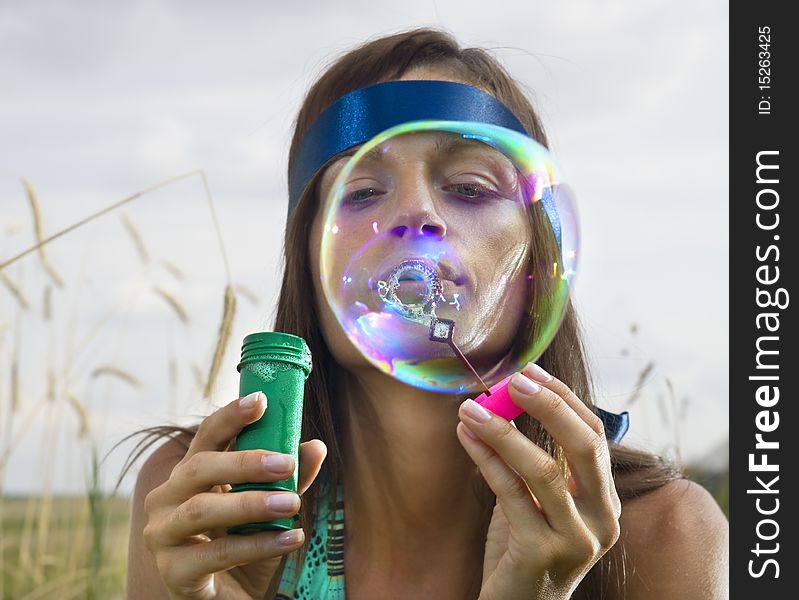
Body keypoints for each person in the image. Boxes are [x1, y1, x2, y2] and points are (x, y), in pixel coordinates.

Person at [122, 27, 728, 599]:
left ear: (537, 266)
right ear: (308, 263)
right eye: (361, 192)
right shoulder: (205, 507)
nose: (415, 213)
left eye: (468, 187)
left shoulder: (666, 535)